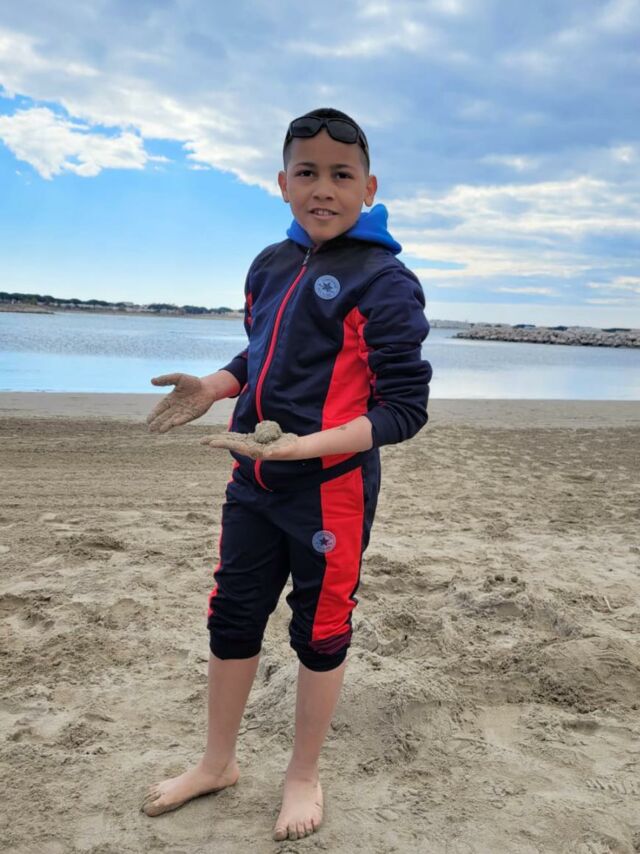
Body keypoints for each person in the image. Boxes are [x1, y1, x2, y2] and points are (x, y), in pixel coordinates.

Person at [141, 107, 432, 841]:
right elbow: (262, 353)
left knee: (321, 629)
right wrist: (215, 387)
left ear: (369, 187)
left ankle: (303, 773)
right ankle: (217, 762)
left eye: (341, 174)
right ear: (282, 182)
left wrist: (310, 448)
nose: (323, 188)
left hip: (330, 490)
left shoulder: (385, 281)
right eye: (307, 172)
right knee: (231, 614)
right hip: (253, 481)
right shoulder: (270, 264)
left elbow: (404, 408)